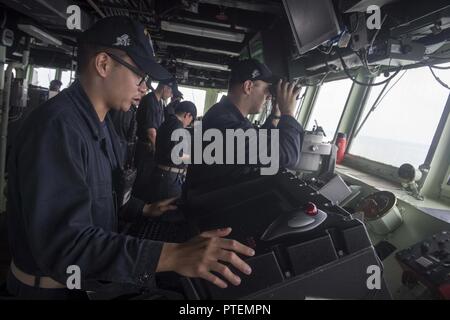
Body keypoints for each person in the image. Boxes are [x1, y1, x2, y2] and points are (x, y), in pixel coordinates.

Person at [6, 16, 254, 300]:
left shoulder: (101, 124)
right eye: (139, 74)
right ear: (103, 64)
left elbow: (106, 194)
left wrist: (143, 210)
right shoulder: (56, 128)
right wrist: (172, 256)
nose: (144, 86)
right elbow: (65, 246)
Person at [185, 59, 304, 193]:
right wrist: (288, 112)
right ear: (248, 86)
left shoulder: (226, 116)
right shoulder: (225, 124)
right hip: (207, 210)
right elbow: (288, 156)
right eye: (267, 89)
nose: (269, 97)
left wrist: (276, 114)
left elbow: (261, 143)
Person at [133, 78, 175, 200]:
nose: (171, 95)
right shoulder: (150, 100)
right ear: (165, 87)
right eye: (171, 92)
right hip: (145, 148)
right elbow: (151, 132)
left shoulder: (159, 102)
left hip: (150, 149)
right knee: (141, 182)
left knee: (146, 182)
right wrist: (159, 153)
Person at [149, 101, 197, 204]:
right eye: (190, 120)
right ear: (187, 115)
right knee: (167, 213)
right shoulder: (177, 126)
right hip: (168, 178)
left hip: (161, 174)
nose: (188, 124)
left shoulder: (166, 123)